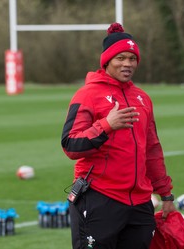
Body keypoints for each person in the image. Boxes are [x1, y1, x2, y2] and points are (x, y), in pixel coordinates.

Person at [61, 23, 176, 249]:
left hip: (140, 204)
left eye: (132, 59)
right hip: (99, 199)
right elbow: (70, 145)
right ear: (107, 61)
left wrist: (166, 194)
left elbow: (151, 150)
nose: (127, 64)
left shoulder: (142, 98)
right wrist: (106, 126)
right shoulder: (87, 95)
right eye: (120, 58)